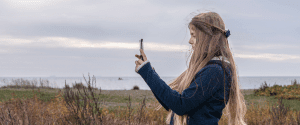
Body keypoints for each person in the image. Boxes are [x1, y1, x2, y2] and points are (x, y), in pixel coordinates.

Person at [135, 12, 247, 125]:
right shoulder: (209, 68)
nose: (190, 40)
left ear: (206, 37)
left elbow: (180, 106)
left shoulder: (214, 71)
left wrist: (148, 72)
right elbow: (172, 104)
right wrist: (147, 71)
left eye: (193, 35)